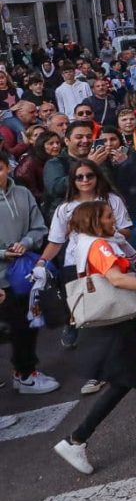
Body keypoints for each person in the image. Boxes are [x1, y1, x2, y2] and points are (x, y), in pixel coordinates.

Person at [50, 199, 136, 476]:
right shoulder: (98, 245)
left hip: (112, 319)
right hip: (111, 322)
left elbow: (120, 272)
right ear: (95, 221)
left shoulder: (89, 242)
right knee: (123, 380)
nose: (114, 221)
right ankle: (77, 439)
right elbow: (117, 279)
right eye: (109, 216)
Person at [0, 148, 52, 395]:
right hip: (1, 277)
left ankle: (25, 373)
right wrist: (3, 253)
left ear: (7, 168)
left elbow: (39, 227)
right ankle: (23, 372)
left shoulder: (22, 193)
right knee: (15, 326)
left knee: (27, 324)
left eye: (0, 169)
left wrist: (26, 242)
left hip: (24, 273)